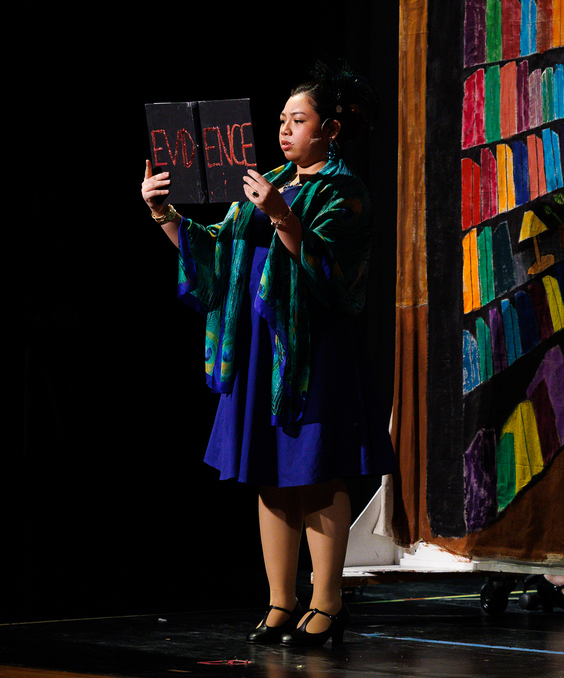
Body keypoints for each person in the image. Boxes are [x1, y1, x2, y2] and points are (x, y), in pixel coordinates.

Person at [140, 63, 396, 648]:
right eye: (281, 120)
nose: (284, 130)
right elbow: (217, 255)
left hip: (312, 350)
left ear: (329, 128)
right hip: (260, 347)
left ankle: (327, 601)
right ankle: (281, 600)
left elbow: (340, 279)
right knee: (269, 474)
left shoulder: (343, 190)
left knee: (316, 467)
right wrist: (163, 213)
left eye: (297, 120)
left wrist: (282, 215)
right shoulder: (269, 177)